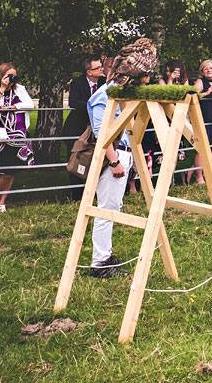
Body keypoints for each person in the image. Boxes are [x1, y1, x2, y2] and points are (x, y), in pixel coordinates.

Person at [86, 38, 157, 277]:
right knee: (106, 209)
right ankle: (100, 264)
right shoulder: (103, 96)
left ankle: (105, 257)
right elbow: (101, 134)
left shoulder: (119, 95)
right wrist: (115, 161)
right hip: (111, 159)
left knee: (113, 206)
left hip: (122, 155)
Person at [0, 63, 35, 213]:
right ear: (1, 75)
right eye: (9, 76)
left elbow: (30, 104)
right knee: (3, 171)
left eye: (14, 75)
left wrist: (13, 107)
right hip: (1, 134)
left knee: (12, 171)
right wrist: (2, 88)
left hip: (18, 134)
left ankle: (2, 202)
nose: (12, 79)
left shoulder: (20, 89)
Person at [62, 57, 106, 201]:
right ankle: (76, 195)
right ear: (89, 72)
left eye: (101, 66)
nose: (101, 69)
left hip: (96, 127)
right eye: (98, 68)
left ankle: (94, 193)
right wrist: (93, 106)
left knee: (97, 159)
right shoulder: (78, 83)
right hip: (77, 127)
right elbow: (73, 102)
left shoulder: (104, 82)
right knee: (76, 158)